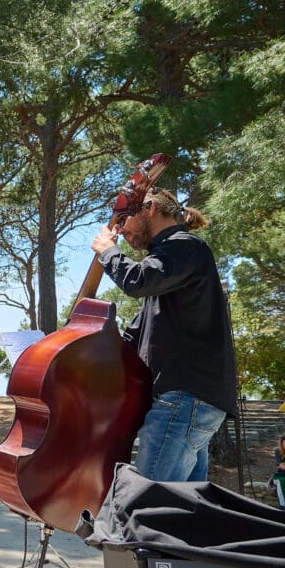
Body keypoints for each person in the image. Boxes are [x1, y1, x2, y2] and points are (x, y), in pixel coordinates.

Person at [91, 187, 237, 483]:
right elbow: (132, 338)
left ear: (150, 208)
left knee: (146, 501)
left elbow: (137, 280)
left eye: (124, 220)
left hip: (183, 399)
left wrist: (108, 251)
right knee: (181, 507)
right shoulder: (170, 264)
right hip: (190, 401)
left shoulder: (184, 245)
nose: (120, 230)